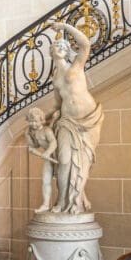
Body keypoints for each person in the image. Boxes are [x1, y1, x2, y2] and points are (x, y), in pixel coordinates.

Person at [49, 22, 103, 214]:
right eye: (57, 46)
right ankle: (61, 201)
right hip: (66, 122)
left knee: (83, 162)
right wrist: (49, 117)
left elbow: (85, 45)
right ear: (51, 52)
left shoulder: (77, 65)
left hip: (89, 120)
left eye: (64, 46)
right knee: (63, 161)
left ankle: (77, 199)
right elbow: (57, 102)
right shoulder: (55, 76)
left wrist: (64, 26)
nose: (61, 48)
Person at [25, 107, 58, 213]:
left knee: (61, 182)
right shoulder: (33, 132)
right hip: (48, 159)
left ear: (41, 120)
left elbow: (54, 143)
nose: (33, 124)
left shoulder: (46, 130)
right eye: (31, 121)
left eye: (35, 121)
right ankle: (45, 204)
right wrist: (28, 136)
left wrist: (47, 152)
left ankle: (62, 203)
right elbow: (35, 145)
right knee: (46, 180)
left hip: (57, 156)